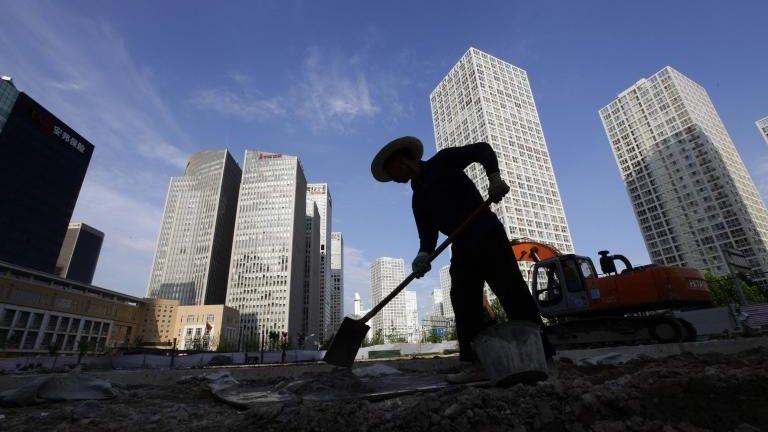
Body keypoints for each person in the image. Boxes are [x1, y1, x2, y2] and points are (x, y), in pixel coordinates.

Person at [370, 136, 554, 383]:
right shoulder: (419, 198)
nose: (393, 179)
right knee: (463, 299)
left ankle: (543, 354)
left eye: (391, 172)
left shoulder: (443, 161)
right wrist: (422, 255)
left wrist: (494, 178)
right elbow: (427, 236)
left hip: (486, 231)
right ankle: (475, 362)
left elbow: (482, 150)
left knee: (512, 292)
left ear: (402, 160)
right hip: (463, 245)